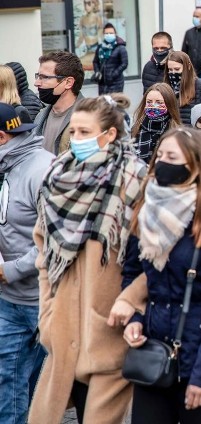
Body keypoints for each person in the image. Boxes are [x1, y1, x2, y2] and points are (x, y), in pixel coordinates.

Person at [30, 96, 148, 424]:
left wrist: (131, 301)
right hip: (64, 325)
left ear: (109, 134)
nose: (77, 139)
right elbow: (44, 250)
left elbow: (156, 256)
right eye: (74, 131)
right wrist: (48, 314)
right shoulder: (59, 175)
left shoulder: (135, 179)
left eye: (85, 132)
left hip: (108, 327)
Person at [114, 128, 201, 423]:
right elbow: (133, 275)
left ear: (195, 166)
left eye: (171, 157)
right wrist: (136, 320)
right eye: (159, 155)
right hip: (155, 354)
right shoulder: (146, 214)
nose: (161, 162)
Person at [0, 104, 53, 424]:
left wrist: (11, 270)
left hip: (43, 300)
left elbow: (57, 240)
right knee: (9, 379)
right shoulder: (7, 166)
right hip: (9, 300)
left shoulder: (44, 170)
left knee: (42, 387)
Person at [32, 51, 85, 155]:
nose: (36, 83)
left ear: (68, 83)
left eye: (44, 77)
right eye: (38, 76)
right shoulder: (40, 116)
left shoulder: (88, 118)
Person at [131, 83, 182, 164]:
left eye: (159, 102)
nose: (153, 106)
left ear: (169, 104)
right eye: (149, 102)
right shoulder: (136, 129)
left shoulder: (177, 132)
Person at [164, 50, 201, 126]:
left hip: (193, 135)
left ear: (188, 66)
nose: (173, 73)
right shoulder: (167, 88)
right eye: (170, 70)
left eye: (177, 69)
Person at [92, 23, 128, 94]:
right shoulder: (100, 47)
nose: (108, 35)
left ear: (115, 33)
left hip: (116, 83)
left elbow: (124, 63)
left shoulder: (120, 47)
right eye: (106, 33)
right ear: (103, 34)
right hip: (102, 83)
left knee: (115, 103)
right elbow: (95, 61)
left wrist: (113, 74)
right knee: (103, 104)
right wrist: (97, 72)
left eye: (111, 33)